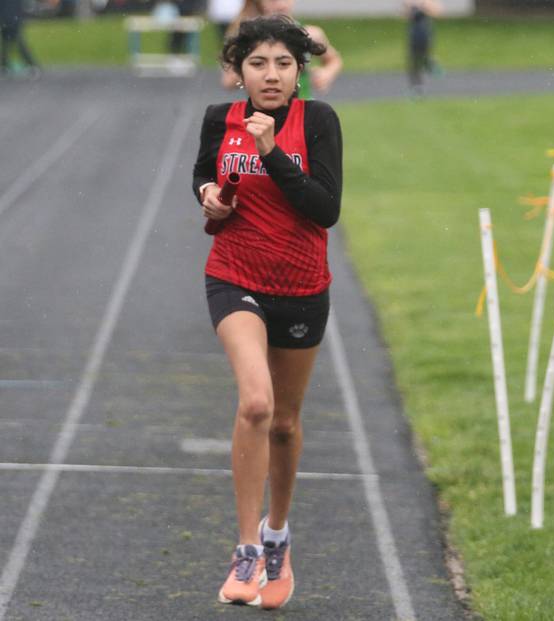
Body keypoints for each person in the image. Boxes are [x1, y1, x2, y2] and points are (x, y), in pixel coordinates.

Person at [192, 15, 342, 610]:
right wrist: (207, 195)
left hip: (302, 285)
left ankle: (279, 535)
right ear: (240, 72)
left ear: (299, 71)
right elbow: (206, 174)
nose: (271, 75)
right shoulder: (217, 119)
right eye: (258, 64)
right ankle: (247, 547)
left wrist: (272, 151)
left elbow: (324, 208)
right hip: (235, 274)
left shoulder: (319, 122)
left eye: (283, 64)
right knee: (256, 401)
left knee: (284, 422)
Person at [220, 0, 342, 97]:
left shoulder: (310, 34)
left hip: (303, 112)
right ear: (260, 3)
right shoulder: (248, 39)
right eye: (273, 0)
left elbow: (334, 60)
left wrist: (326, 73)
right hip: (261, 114)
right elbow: (228, 82)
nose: (281, 5)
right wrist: (250, 68)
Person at [403, 0, 443, 93]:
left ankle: (431, 64)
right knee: (413, 60)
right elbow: (405, 15)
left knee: (424, 55)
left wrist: (424, 6)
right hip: (413, 34)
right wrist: (410, 7)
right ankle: (417, 86)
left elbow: (438, 12)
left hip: (425, 33)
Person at [0, 0, 40, 77]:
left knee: (15, 43)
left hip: (8, 20)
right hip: (12, 20)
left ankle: (31, 64)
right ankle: (4, 65)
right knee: (10, 43)